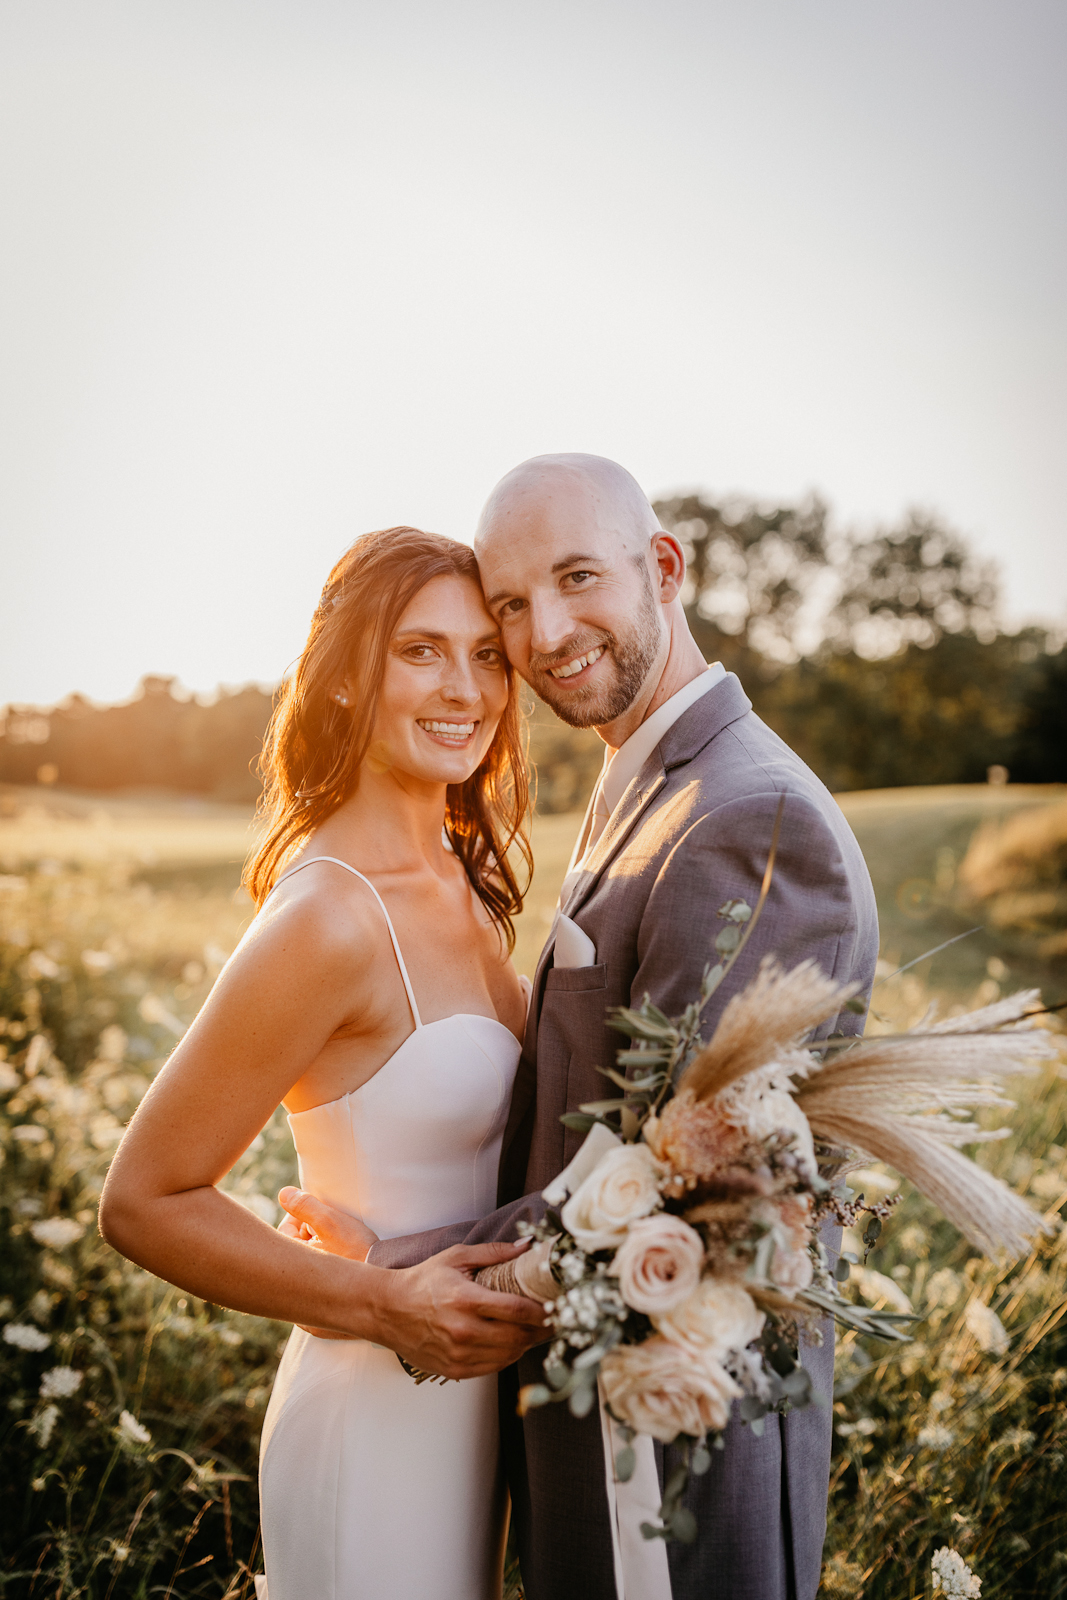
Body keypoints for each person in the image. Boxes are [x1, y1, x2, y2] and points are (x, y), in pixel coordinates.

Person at [299, 456, 879, 1600]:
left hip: (671, 1451)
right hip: (583, 1407)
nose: (544, 630)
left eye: (575, 579)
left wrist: (400, 1264)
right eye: (510, 603)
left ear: (661, 567)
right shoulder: (642, 780)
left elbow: (694, 1188)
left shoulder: (745, 812)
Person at [98, 526, 550, 1600]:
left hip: (467, 1409)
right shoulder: (331, 914)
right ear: (345, 681)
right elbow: (145, 1198)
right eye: (421, 651)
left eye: (487, 654)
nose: (466, 687)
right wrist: (374, 1299)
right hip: (370, 1415)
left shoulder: (454, 871)